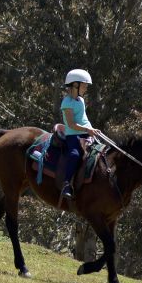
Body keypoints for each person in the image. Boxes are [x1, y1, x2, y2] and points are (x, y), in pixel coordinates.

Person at [60, 68, 99, 199]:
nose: (86, 88)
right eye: (84, 85)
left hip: (86, 133)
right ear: (75, 85)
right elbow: (71, 124)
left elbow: (84, 119)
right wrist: (87, 130)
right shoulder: (66, 102)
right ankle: (66, 184)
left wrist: (92, 130)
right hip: (73, 135)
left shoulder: (80, 100)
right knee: (75, 155)